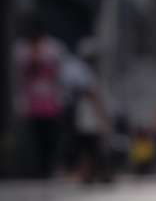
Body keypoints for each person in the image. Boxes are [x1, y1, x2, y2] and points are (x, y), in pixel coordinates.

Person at [12, 15, 67, 177]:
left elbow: (60, 76)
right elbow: (17, 78)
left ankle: (48, 167)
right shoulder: (20, 49)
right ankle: (36, 169)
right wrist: (18, 100)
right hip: (31, 101)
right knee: (32, 138)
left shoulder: (53, 48)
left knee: (49, 136)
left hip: (50, 100)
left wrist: (61, 98)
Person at [63, 37, 111, 183]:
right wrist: (102, 113)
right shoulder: (81, 70)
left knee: (87, 144)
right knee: (88, 145)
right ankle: (86, 172)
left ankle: (89, 173)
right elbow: (90, 94)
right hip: (83, 113)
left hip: (78, 111)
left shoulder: (73, 67)